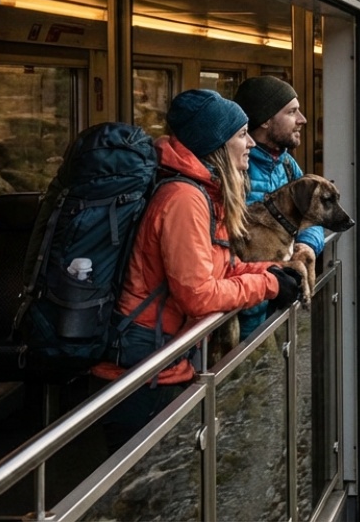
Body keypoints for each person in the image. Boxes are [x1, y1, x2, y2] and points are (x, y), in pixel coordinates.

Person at [90, 89, 301, 451]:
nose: (250, 143)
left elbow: (222, 266)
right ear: (216, 143)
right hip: (145, 372)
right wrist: (268, 285)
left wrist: (273, 271)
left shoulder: (204, 192)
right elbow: (198, 294)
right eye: (241, 134)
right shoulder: (184, 200)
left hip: (164, 361)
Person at [232, 76, 326, 339]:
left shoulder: (286, 164)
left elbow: (313, 216)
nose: (303, 120)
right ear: (264, 120)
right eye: (292, 112)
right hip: (247, 311)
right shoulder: (237, 170)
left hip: (280, 298)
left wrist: (307, 244)